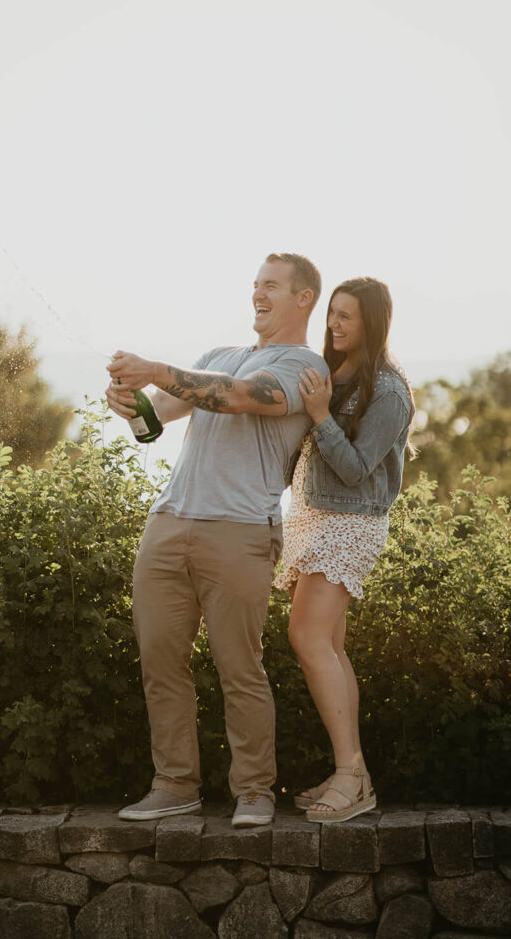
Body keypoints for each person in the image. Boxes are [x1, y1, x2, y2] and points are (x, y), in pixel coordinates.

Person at [105, 253, 328, 827]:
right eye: (256, 284)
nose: (258, 294)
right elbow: (155, 424)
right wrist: (132, 407)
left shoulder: (305, 369)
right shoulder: (217, 356)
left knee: (239, 666)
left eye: (272, 286)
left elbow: (237, 397)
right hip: (168, 523)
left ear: (303, 298)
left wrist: (154, 367)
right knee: (160, 661)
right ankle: (174, 785)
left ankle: (254, 792)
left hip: (240, 532)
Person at [274, 277, 414, 823]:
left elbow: (356, 470)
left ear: (372, 322)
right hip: (313, 517)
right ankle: (353, 777)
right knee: (328, 643)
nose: (334, 324)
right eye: (332, 313)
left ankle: (352, 774)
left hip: (349, 523)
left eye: (346, 317)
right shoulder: (338, 370)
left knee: (306, 636)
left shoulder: (390, 391)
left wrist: (319, 415)